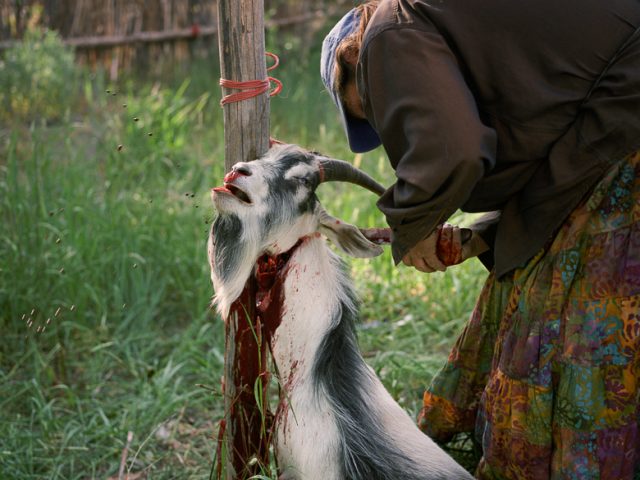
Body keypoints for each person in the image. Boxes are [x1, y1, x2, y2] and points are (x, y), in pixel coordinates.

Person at [321, 0, 640, 478]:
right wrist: (479, 239)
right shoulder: (470, 39)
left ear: (352, 62)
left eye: (365, 107)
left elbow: (454, 151)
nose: (382, 127)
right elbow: (557, 176)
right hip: (618, 106)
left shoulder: (387, 30)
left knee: (580, 325)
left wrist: (415, 224)